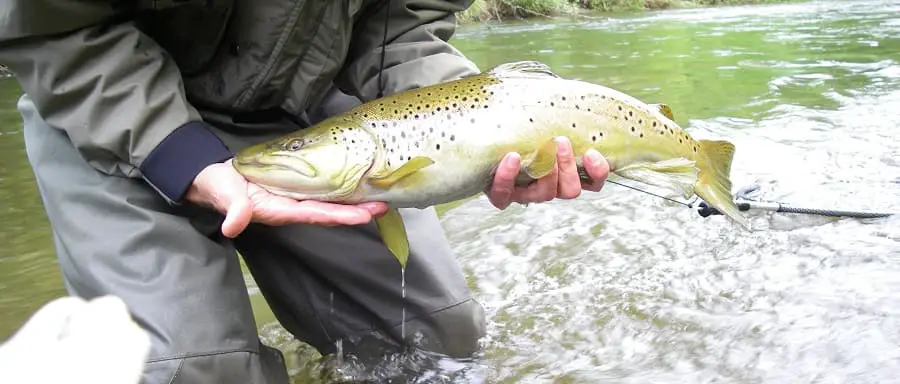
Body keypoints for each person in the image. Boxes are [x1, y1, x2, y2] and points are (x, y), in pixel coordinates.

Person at [0, 0, 610, 383]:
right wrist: (186, 158)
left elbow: (401, 36)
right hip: (108, 113)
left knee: (439, 344)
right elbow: (57, 32)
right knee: (190, 371)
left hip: (316, 124)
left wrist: (486, 145)